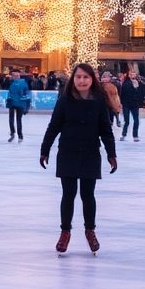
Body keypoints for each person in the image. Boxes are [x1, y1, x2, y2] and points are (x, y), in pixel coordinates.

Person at [40, 63, 117, 255]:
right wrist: (45, 149)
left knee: (87, 194)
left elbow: (105, 130)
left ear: (92, 79)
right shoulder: (65, 100)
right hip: (68, 152)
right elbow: (54, 126)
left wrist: (111, 154)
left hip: (90, 152)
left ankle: (90, 231)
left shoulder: (99, 101)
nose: (82, 81)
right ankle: (65, 232)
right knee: (68, 194)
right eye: (78, 77)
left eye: (85, 77)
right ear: (73, 79)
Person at [119, 70, 145, 142]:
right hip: (126, 104)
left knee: (136, 120)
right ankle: (123, 134)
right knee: (126, 121)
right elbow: (122, 94)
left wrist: (142, 99)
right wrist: (121, 103)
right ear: (129, 75)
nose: (132, 75)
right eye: (131, 74)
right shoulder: (126, 83)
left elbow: (142, 92)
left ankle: (135, 135)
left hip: (135, 104)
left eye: (133, 74)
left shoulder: (139, 83)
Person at [6, 68, 31, 142]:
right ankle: (14, 133)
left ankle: (19, 135)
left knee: (17, 119)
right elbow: (10, 93)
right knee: (12, 119)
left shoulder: (23, 83)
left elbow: (27, 94)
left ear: (19, 75)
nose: (15, 76)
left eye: (16, 75)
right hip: (13, 103)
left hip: (19, 103)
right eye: (13, 75)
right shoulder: (12, 82)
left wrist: (27, 106)